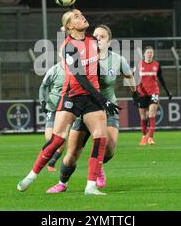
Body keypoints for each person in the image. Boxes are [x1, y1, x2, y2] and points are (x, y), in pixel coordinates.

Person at [17, 9, 120, 195]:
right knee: (57, 140)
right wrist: (102, 99)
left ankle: (90, 186)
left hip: (91, 97)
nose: (83, 17)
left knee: (100, 137)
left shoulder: (91, 41)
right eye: (77, 16)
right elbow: (80, 76)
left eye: (81, 14)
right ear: (70, 26)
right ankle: (31, 176)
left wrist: (101, 93)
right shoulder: (67, 46)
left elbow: (97, 59)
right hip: (72, 96)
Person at [46, 24, 139, 194]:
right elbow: (68, 51)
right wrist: (66, 32)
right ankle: (62, 183)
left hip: (107, 109)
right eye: (95, 35)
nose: (98, 39)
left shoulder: (117, 60)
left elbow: (129, 75)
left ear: (109, 41)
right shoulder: (85, 57)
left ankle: (99, 166)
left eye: (102, 36)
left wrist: (135, 94)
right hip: (84, 108)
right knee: (73, 153)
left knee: (109, 148)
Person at [136, 46, 172, 146]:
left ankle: (150, 138)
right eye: (148, 52)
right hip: (142, 93)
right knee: (143, 117)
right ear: (144, 54)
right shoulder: (139, 65)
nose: (150, 54)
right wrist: (134, 94)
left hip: (154, 93)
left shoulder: (156, 65)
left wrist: (167, 92)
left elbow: (161, 79)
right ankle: (144, 136)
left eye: (151, 53)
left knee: (151, 115)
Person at [38, 61, 69, 171]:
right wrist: (42, 101)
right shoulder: (55, 69)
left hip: (66, 110)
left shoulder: (77, 70)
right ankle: (49, 159)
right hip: (52, 108)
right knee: (50, 138)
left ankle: (52, 161)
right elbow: (43, 86)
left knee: (61, 139)